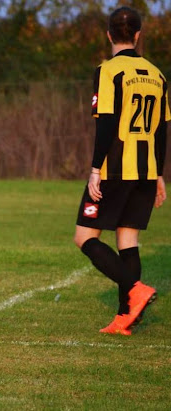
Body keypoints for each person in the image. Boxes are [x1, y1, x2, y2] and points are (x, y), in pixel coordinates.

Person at [73, 6, 169, 335]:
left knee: (84, 237)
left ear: (109, 34)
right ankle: (124, 318)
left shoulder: (109, 71)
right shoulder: (158, 76)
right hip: (145, 171)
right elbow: (162, 130)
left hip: (116, 169)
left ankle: (136, 289)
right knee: (127, 241)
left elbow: (107, 124)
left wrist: (95, 169)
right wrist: (158, 174)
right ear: (139, 35)